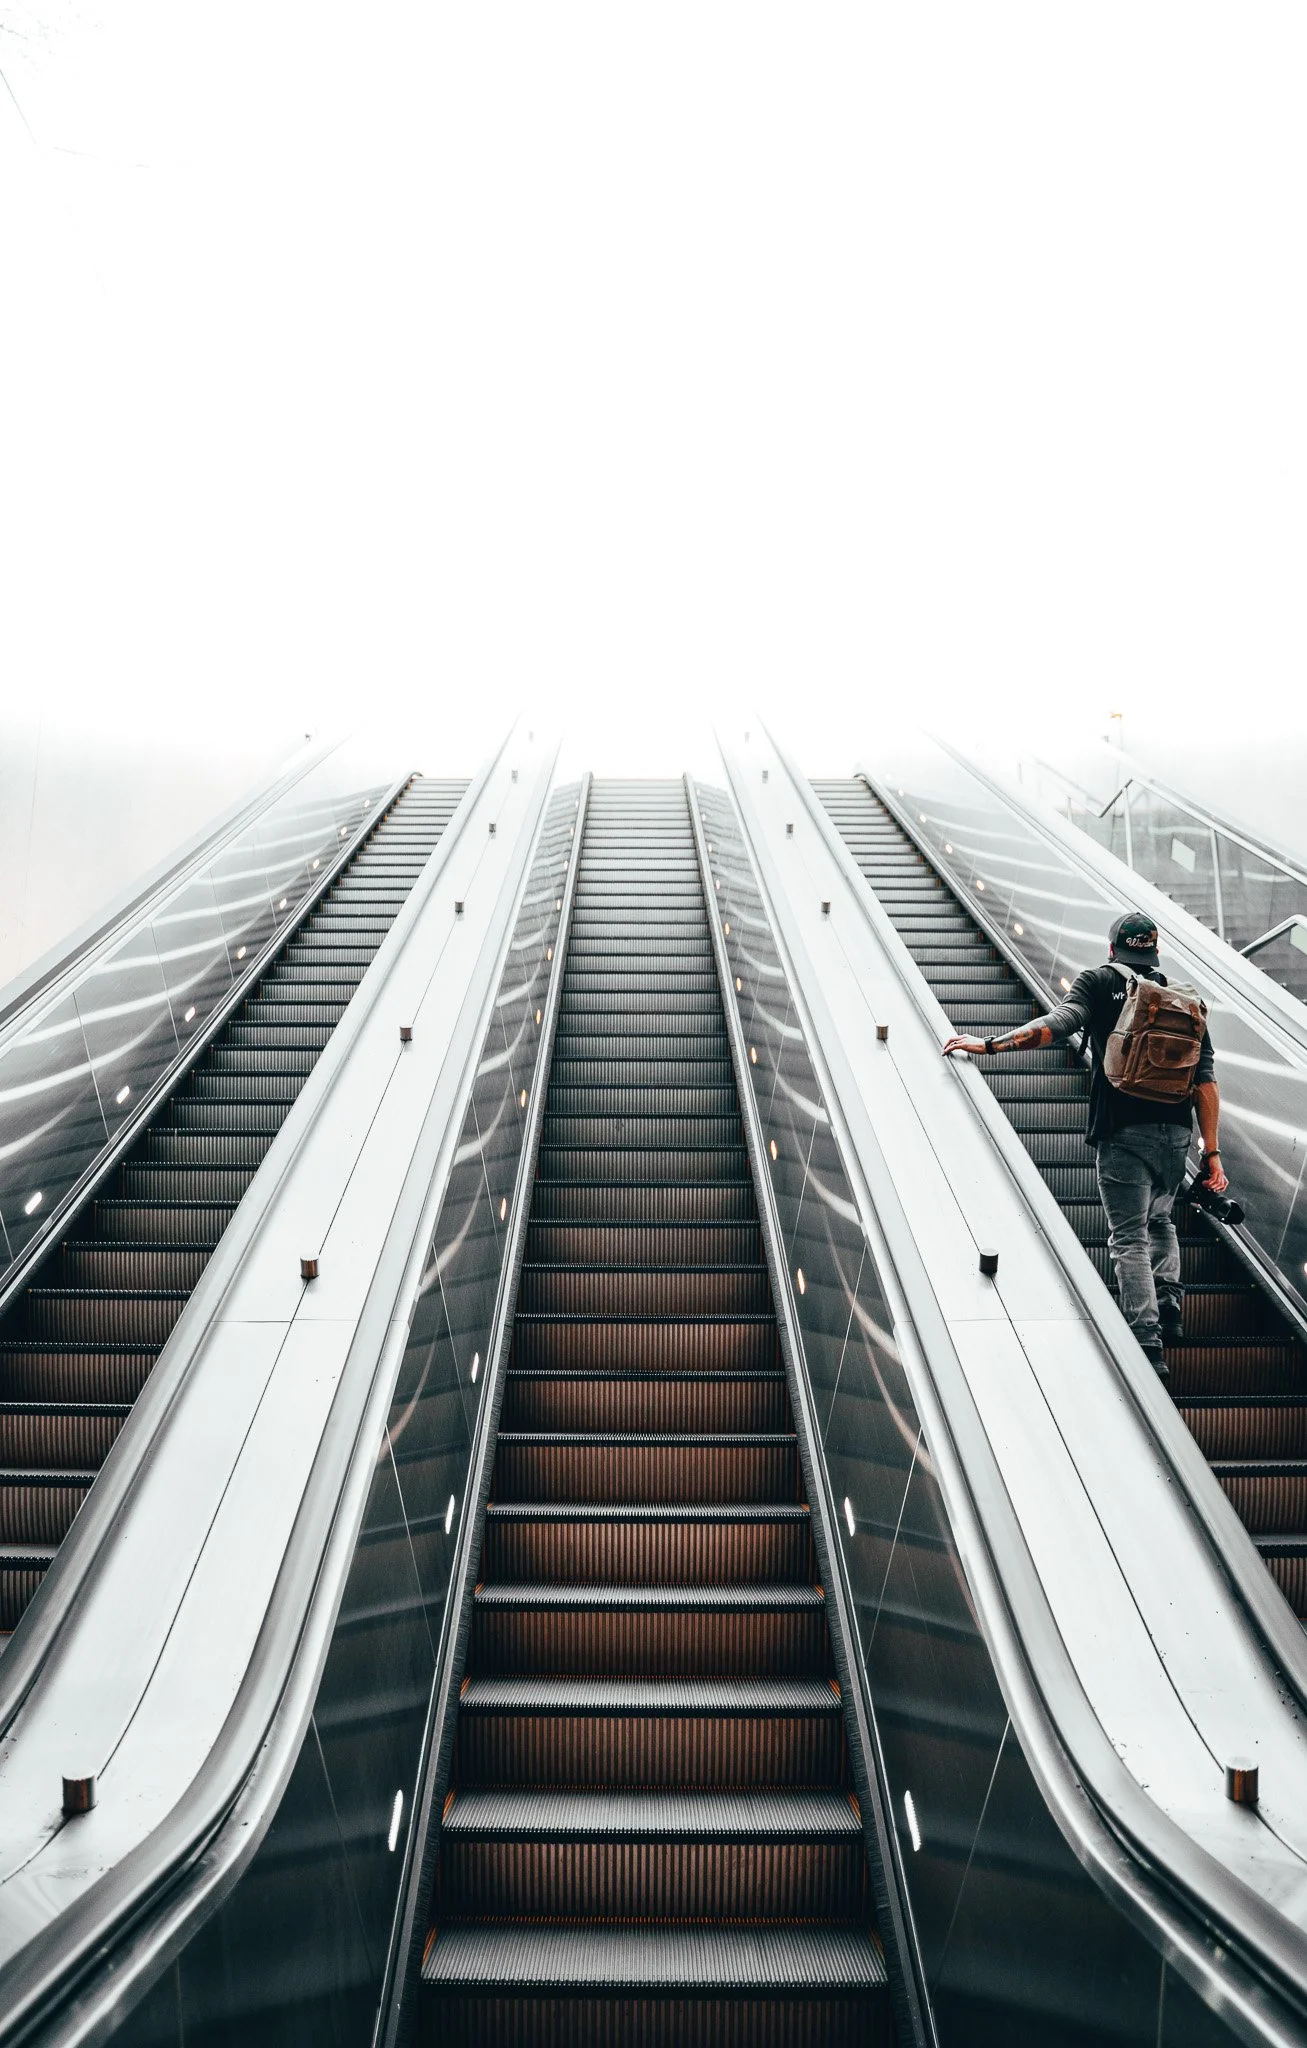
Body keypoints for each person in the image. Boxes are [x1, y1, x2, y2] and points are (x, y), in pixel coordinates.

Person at [941, 911, 1226, 1380]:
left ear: (1113, 948)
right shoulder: (1183, 999)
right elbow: (1206, 1081)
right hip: (1176, 1135)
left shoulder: (1098, 981)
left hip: (1122, 1129)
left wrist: (989, 1045)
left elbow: (1058, 1025)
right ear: (1153, 953)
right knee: (1160, 1220)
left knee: (1128, 1234)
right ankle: (1169, 1303)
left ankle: (1147, 1340)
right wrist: (1210, 1153)